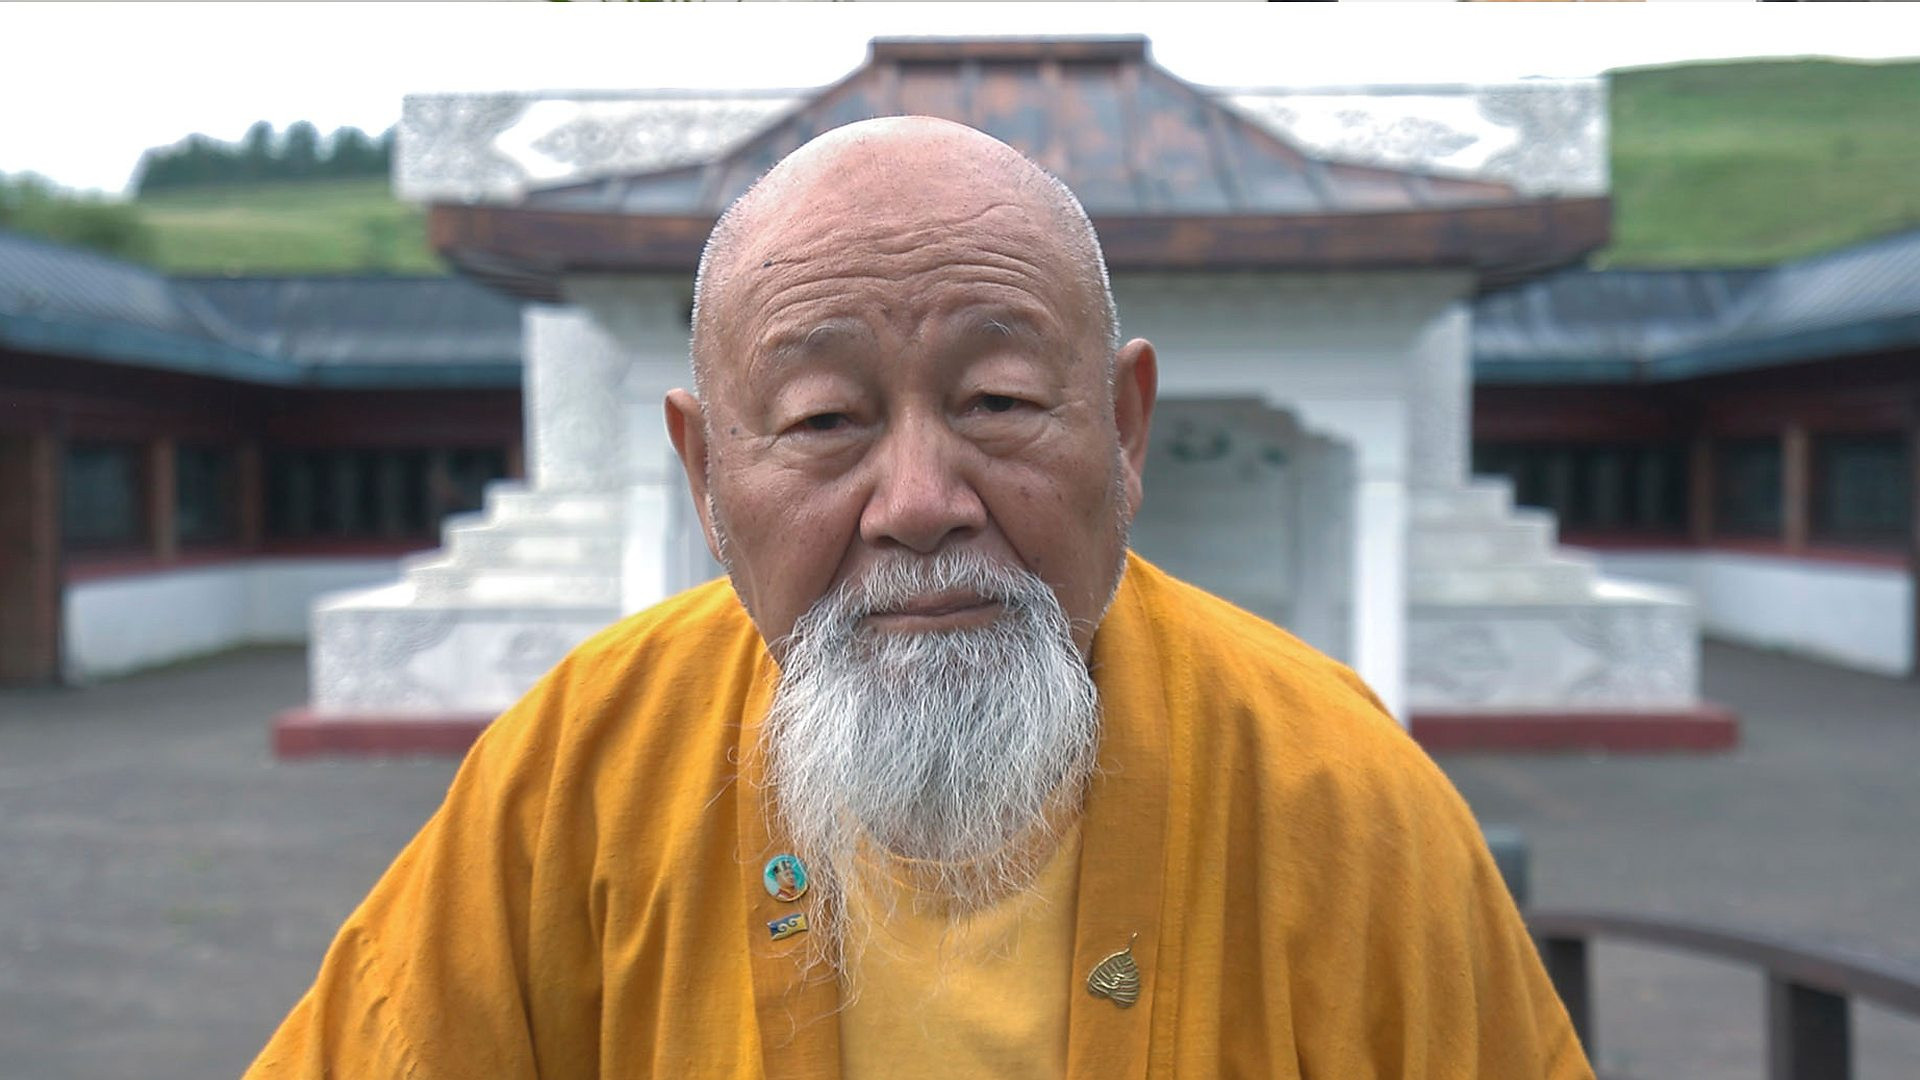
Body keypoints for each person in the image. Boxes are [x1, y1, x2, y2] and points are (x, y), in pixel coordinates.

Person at [247, 116, 1592, 1079]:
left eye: (998, 402)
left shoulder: (1339, 791)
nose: (918, 502)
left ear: (1125, 432)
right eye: (825, 420)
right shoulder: (578, 775)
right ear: (708, 474)